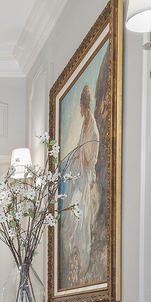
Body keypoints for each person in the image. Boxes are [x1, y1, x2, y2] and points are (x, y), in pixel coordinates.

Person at [62, 83, 99, 280]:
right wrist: (75, 158)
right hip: (79, 171)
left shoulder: (91, 123)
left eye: (80, 105)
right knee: (72, 213)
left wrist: (84, 159)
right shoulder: (85, 123)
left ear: (84, 104)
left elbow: (93, 147)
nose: (79, 109)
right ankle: (73, 250)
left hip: (86, 175)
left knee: (79, 213)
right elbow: (79, 146)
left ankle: (80, 252)